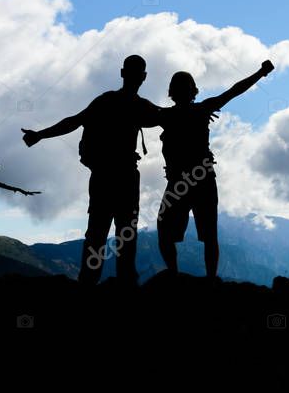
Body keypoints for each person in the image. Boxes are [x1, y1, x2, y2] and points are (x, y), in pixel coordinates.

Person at [21, 55, 160, 286]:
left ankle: (88, 282)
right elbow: (170, 117)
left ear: (122, 72)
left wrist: (40, 135)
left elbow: (74, 121)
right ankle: (125, 282)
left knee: (97, 232)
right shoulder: (141, 107)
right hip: (125, 176)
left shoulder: (105, 101)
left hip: (103, 176)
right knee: (126, 232)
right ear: (143, 77)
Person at [156, 60, 274, 280]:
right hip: (202, 178)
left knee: (166, 231)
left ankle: (174, 275)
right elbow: (234, 91)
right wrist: (261, 73)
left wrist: (260, 73)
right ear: (193, 91)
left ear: (172, 92)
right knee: (207, 233)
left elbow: (234, 91)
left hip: (180, 182)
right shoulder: (200, 110)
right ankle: (209, 279)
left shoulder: (166, 116)